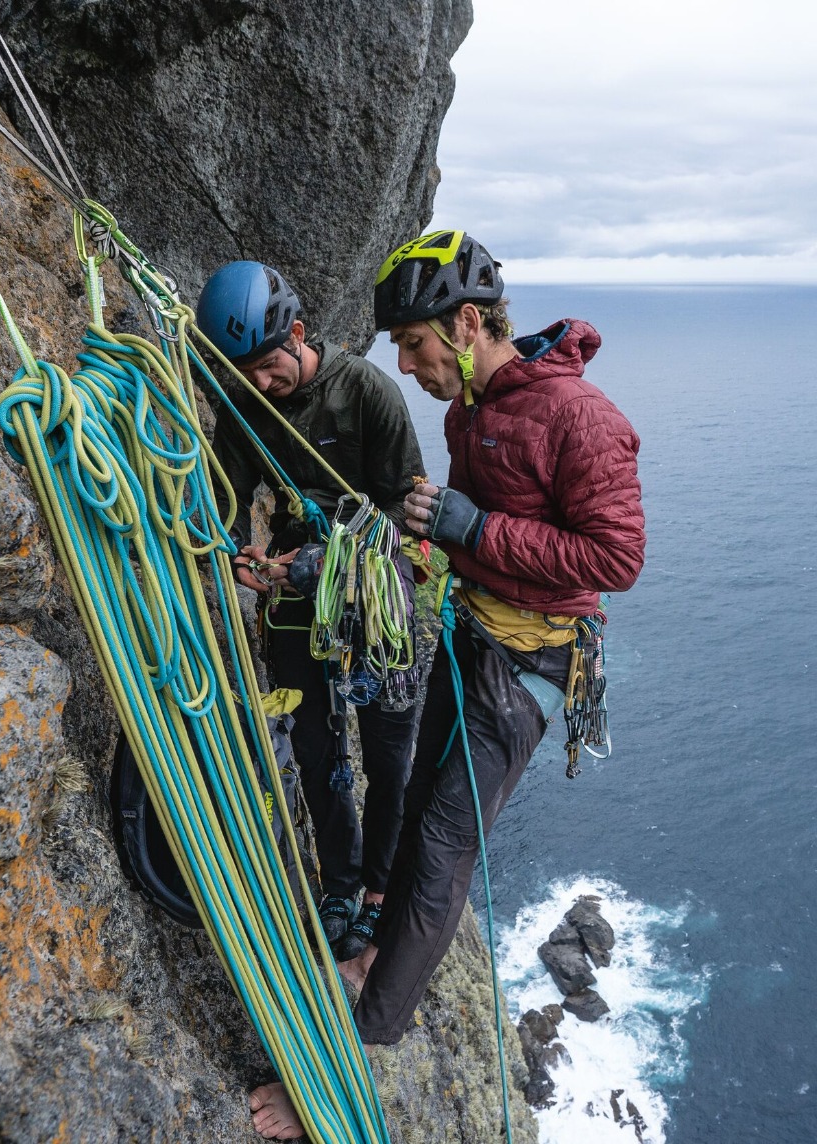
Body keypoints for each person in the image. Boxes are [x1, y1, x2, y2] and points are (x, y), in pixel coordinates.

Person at [249, 226, 644, 1140]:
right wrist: (322, 563)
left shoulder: (579, 420)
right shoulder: (473, 412)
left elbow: (617, 557)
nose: (407, 365)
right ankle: (378, 953)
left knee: (439, 849)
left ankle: (353, 1055)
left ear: (467, 325)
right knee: (411, 790)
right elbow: (447, 535)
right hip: (472, 640)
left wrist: (472, 526)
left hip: (531, 666)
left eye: (417, 346)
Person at [195, 259, 426, 962]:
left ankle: (380, 894)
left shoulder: (366, 392)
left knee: (388, 758)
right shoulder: (246, 406)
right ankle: (339, 886)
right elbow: (225, 495)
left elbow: (406, 514)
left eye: (268, 366)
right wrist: (232, 548)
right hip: (298, 590)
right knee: (320, 749)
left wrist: (324, 563)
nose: (260, 385)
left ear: (297, 334)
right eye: (245, 375)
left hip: (380, 593)